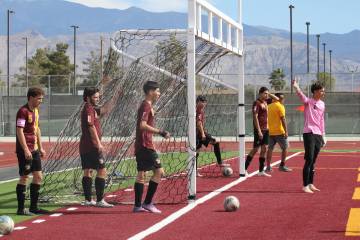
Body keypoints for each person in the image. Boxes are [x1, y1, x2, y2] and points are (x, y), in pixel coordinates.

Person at [133, 81, 170, 213]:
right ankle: (147, 203)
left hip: (142, 145)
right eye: (158, 91)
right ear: (150, 91)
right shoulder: (146, 106)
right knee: (159, 172)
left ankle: (137, 206)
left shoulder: (147, 105)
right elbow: (142, 125)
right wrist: (161, 132)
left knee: (141, 174)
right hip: (144, 145)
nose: (159, 93)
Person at [16, 87, 49, 215]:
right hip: (25, 150)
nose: (41, 101)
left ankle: (33, 207)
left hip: (34, 149)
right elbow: (19, 131)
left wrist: (40, 147)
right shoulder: (22, 111)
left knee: (38, 176)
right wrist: (25, 149)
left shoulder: (36, 110)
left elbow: (37, 129)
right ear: (31, 97)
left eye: (42, 98)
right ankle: (20, 209)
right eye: (39, 98)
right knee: (24, 177)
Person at [80, 87, 114, 207]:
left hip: (86, 146)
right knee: (102, 170)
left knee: (88, 171)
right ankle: (99, 200)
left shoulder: (92, 109)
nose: (97, 99)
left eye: (98, 97)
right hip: (91, 146)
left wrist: (114, 97)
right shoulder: (89, 109)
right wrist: (98, 143)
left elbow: (105, 110)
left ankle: (88, 200)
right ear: (88, 98)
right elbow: (90, 127)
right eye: (95, 97)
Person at [292, 79, 326, 193]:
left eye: (323, 91)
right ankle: (305, 185)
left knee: (314, 161)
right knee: (309, 159)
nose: (323, 93)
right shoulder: (308, 101)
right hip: (309, 133)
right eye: (321, 91)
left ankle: (311, 183)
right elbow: (302, 96)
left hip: (318, 134)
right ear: (315, 91)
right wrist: (296, 87)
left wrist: (323, 135)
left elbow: (321, 120)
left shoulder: (322, 104)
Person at [245, 87, 279, 177]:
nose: (266, 95)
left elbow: (277, 99)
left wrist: (269, 93)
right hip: (260, 130)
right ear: (260, 93)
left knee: (264, 149)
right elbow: (255, 117)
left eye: (267, 94)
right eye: (265, 93)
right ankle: (244, 169)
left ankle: (261, 171)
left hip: (267, 129)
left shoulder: (266, 102)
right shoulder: (257, 103)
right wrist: (259, 131)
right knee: (255, 149)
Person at [196, 95, 228, 176]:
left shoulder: (201, 111)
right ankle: (219, 162)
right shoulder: (198, 111)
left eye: (205, 102)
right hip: (199, 134)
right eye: (202, 102)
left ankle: (194, 171)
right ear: (198, 102)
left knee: (197, 151)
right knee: (197, 151)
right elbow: (198, 123)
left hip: (199, 133)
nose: (204, 103)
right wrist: (203, 134)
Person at [266, 93, 292, 172]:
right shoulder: (280, 106)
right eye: (281, 98)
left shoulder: (268, 106)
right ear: (277, 98)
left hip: (270, 132)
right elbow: (283, 119)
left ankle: (268, 167)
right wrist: (286, 131)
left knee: (270, 149)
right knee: (285, 148)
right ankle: (282, 166)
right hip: (280, 132)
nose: (282, 100)